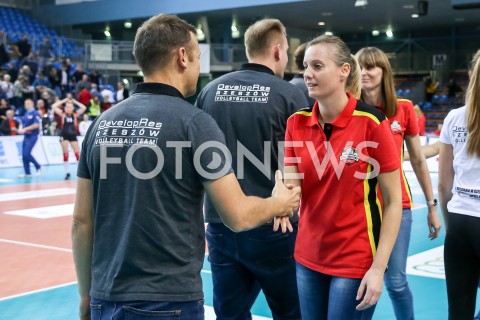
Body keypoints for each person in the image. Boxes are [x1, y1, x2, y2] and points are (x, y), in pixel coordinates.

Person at [72, 13, 301, 320]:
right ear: (182, 57)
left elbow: (81, 221)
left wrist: (86, 295)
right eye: (196, 57)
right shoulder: (193, 123)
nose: (196, 66)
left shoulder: (100, 124)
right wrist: (280, 203)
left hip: (105, 296)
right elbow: (237, 215)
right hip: (168, 298)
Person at [195, 18, 308, 320]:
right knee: (290, 311)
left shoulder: (210, 91)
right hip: (275, 222)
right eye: (285, 50)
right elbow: (302, 161)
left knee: (229, 313)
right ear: (276, 51)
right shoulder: (289, 94)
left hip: (221, 222)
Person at [282, 35, 402, 319]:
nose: (307, 74)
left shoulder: (372, 123)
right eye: (306, 66)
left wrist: (378, 267)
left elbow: (394, 202)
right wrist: (281, 202)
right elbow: (292, 186)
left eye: (318, 66)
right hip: (307, 256)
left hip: (355, 258)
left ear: (344, 71)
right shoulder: (295, 123)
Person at [355, 46, 441, 320]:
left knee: (395, 281)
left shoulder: (403, 109)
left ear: (384, 72)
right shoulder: (349, 110)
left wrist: (431, 206)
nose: (365, 73)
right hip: (359, 209)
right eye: (360, 67)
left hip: (397, 206)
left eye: (371, 67)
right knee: (355, 280)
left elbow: (417, 160)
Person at [438, 49, 480, 320]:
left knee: (459, 311)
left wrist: (451, 226)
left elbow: (443, 185)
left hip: (461, 222)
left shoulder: (454, 117)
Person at [51, 97, 87, 180]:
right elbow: (53, 106)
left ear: (73, 107)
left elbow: (84, 107)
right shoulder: (62, 113)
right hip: (64, 135)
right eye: (67, 107)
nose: (68, 108)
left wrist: (75, 101)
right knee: (65, 154)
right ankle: (67, 173)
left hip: (73, 135)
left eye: (70, 107)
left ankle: (80, 172)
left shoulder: (75, 114)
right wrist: (63, 101)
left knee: (78, 154)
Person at [17, 98, 41, 178]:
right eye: (25, 103)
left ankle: (38, 166)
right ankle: (27, 172)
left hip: (33, 136)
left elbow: (36, 125)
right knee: (24, 155)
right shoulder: (26, 114)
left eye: (27, 103)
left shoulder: (35, 113)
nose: (25, 105)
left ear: (32, 104)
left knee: (26, 153)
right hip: (26, 136)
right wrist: (20, 129)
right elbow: (21, 122)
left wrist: (25, 129)